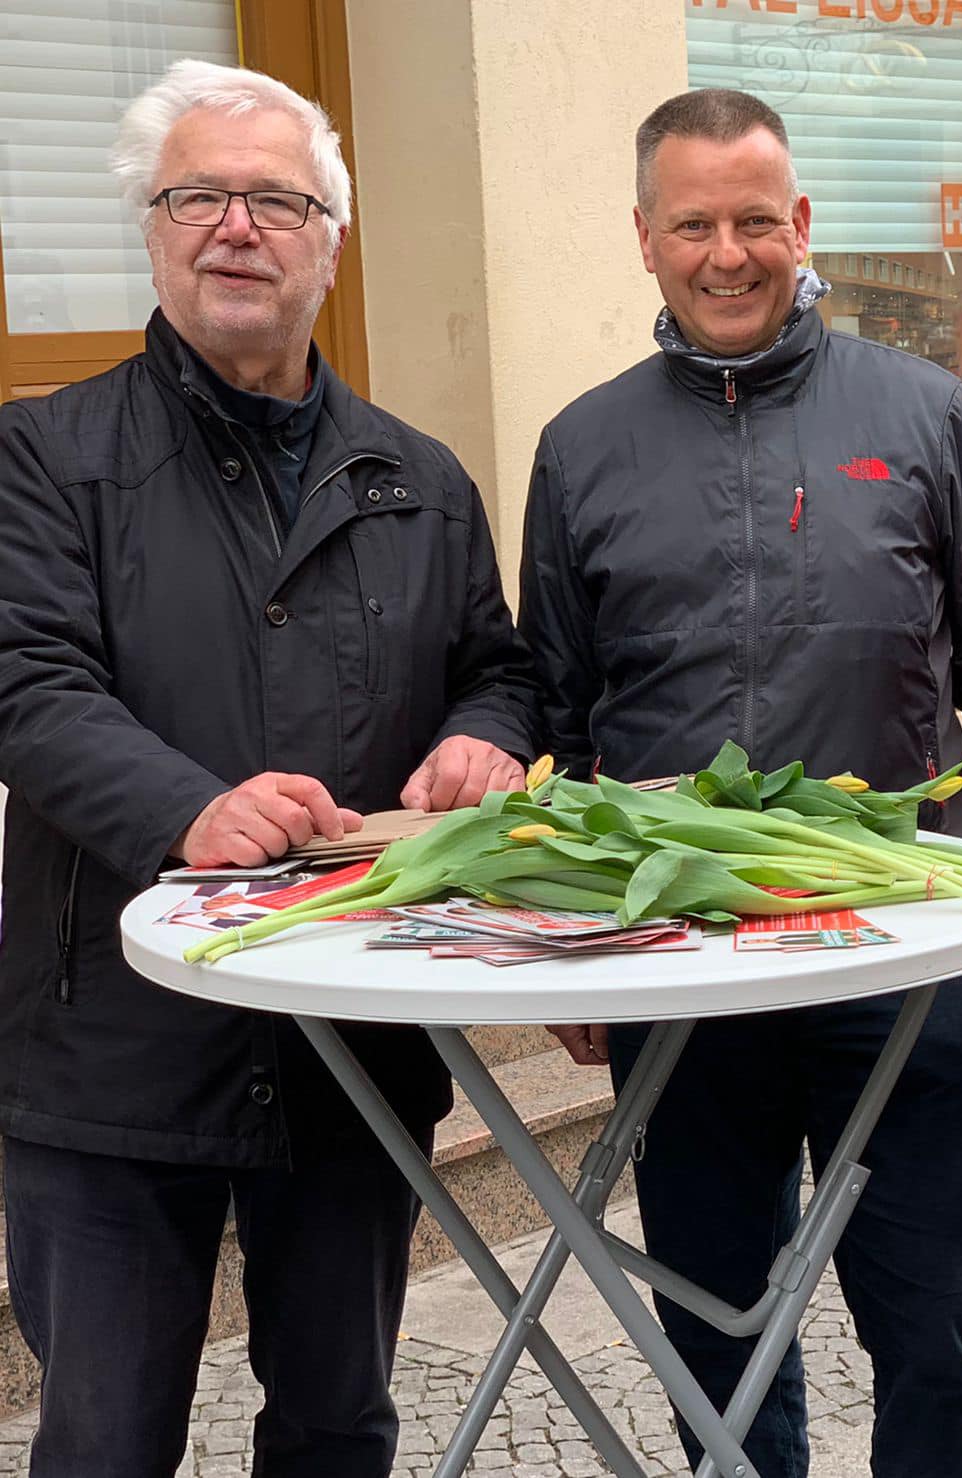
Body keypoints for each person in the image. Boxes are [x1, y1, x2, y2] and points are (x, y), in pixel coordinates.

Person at [0, 61, 539, 1477]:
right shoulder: (47, 455)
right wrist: (189, 805)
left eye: (276, 199)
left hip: (349, 1042)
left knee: (339, 1424)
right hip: (112, 1046)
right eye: (198, 196)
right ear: (153, 227)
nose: (237, 225)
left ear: (331, 237)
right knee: (107, 1441)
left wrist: (485, 733)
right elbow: (27, 681)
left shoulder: (418, 477)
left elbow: (498, 661)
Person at [520, 88, 962, 1477]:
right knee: (717, 1325)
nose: (728, 252)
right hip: (680, 961)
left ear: (802, 224)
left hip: (898, 938)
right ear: (645, 237)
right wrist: (576, 953)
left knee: (937, 1315)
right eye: (693, 223)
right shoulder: (583, 449)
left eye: (756, 219)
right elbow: (558, 720)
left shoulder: (929, 415)